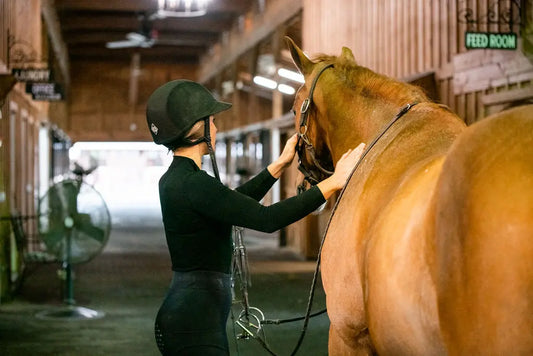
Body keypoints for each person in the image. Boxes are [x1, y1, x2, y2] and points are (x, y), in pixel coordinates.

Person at [146, 79, 365, 355]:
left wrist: (278, 166)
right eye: (211, 121)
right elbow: (267, 218)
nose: (215, 128)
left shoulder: (176, 180)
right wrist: (333, 182)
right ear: (196, 128)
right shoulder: (195, 183)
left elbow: (230, 203)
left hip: (190, 315)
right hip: (196, 323)